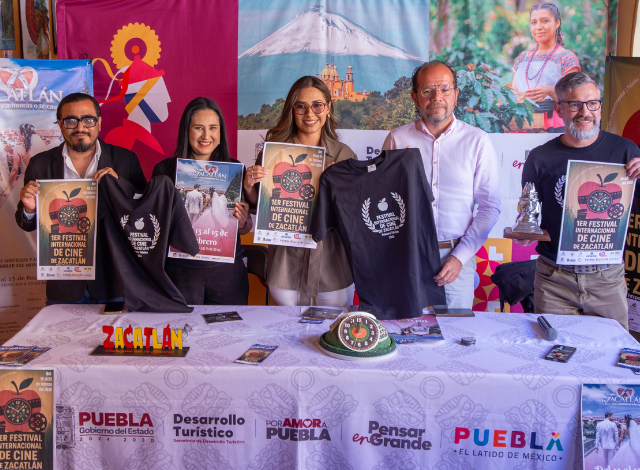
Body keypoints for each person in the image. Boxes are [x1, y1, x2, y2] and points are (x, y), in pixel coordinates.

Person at [520, 72, 640, 329]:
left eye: (592, 103)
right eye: (575, 104)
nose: (585, 112)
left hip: (607, 277)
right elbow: (530, 216)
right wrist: (526, 233)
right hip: (554, 280)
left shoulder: (626, 151)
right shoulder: (540, 158)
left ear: (600, 106)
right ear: (559, 109)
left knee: (612, 350)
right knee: (553, 349)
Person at [381, 60, 501, 308]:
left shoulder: (477, 141)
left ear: (455, 95)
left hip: (455, 260)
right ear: (415, 97)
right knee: (405, 328)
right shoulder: (396, 139)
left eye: (445, 89)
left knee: (454, 329)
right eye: (428, 90)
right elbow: (382, 200)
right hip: (406, 258)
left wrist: (459, 257)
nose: (437, 97)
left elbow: (489, 207)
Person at [15, 92, 147, 304]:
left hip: (113, 281)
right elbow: (27, 224)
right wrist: (30, 210)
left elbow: (143, 216)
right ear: (60, 125)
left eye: (88, 119)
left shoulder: (125, 160)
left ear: (99, 123)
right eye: (71, 120)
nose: (80, 127)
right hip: (63, 286)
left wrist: (122, 187)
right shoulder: (40, 164)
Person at [244, 76, 356, 307]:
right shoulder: (272, 152)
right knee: (287, 324)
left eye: (317, 105)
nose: (309, 113)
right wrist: (248, 185)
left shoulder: (345, 155)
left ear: (328, 108)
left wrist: (338, 187)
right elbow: (260, 204)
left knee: (333, 323)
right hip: (286, 257)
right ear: (291, 110)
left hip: (332, 258)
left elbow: (354, 215)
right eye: (301, 106)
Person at [152, 97, 251, 305]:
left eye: (213, 128)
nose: (206, 136)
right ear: (186, 131)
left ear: (220, 132)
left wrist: (243, 222)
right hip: (179, 272)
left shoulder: (235, 169)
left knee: (228, 326)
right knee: (179, 326)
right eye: (198, 128)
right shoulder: (164, 170)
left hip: (226, 273)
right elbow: (153, 226)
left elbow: (244, 227)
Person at [510, 2, 580, 132]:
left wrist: (550, 91)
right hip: (522, 125)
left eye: (545, 21)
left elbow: (574, 100)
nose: (538, 27)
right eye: (534, 22)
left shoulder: (566, 58)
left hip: (554, 126)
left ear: (557, 23)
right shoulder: (522, 58)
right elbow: (514, 93)